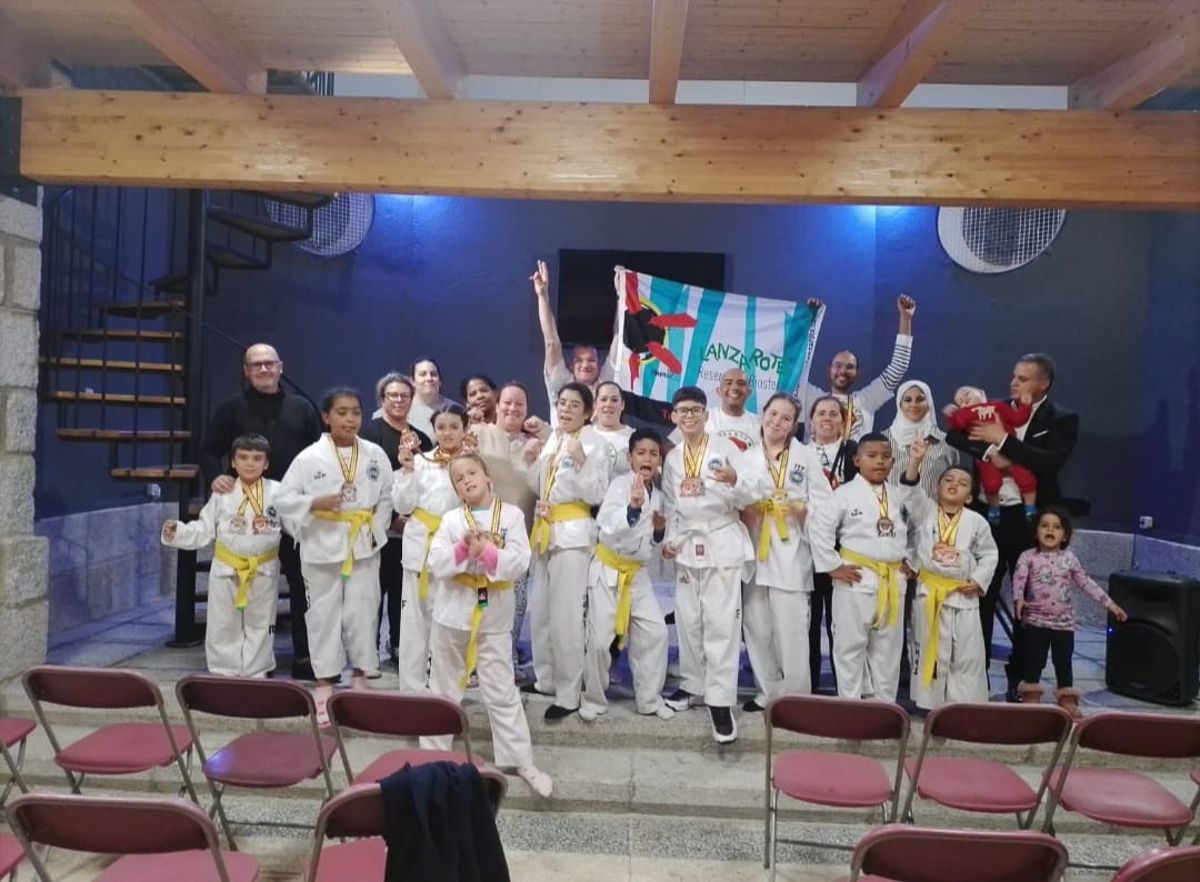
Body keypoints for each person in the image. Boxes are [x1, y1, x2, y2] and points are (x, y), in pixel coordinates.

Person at [946, 353, 1079, 702]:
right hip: (990, 516)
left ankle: (1021, 680)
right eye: (1014, 376)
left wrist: (1004, 444)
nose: (1013, 383)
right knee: (981, 597)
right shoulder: (994, 408)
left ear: (1042, 383)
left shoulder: (1062, 419)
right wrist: (992, 453)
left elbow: (1049, 463)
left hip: (1031, 521)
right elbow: (956, 436)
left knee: (1027, 604)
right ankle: (974, 678)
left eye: (1022, 378)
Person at [424, 452, 553, 797]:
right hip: (452, 611)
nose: (467, 480)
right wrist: (465, 550)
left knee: (500, 687)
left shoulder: (510, 515)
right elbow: (436, 562)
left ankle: (518, 758)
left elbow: (519, 563)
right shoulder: (451, 519)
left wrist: (487, 552)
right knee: (443, 684)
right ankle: (433, 756)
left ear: (487, 475)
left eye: (472, 473)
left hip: (494, 610)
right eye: (459, 479)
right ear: (456, 488)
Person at [198, 343, 322, 680]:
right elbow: (209, 451)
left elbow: (319, 456)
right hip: (247, 515)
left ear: (281, 367)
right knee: (248, 590)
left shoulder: (302, 408)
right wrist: (217, 477)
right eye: (256, 365)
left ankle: (305, 655)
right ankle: (243, 660)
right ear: (246, 371)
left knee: (303, 582)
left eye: (269, 364)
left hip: (293, 510)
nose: (264, 370)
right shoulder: (230, 409)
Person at [277, 388, 393, 724]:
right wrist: (313, 503)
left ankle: (360, 675)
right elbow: (283, 499)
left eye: (355, 412)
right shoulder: (309, 457)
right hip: (321, 543)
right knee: (323, 615)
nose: (350, 419)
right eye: (341, 412)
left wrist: (375, 528)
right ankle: (324, 682)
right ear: (326, 417)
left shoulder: (374, 454)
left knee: (363, 612)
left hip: (362, 543)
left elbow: (387, 495)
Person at [661, 386, 760, 744]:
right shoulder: (672, 459)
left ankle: (720, 701)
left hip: (721, 540)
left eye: (695, 410)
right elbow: (672, 505)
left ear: (706, 414)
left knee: (721, 624)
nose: (688, 416)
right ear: (673, 416)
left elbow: (753, 492)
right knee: (689, 620)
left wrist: (736, 481)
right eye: (682, 410)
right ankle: (692, 685)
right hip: (689, 544)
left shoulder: (726, 448)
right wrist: (671, 540)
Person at [162, 434, 285, 678]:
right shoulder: (223, 493)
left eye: (257, 458)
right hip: (227, 567)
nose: (250, 463)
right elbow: (204, 529)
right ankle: (223, 671)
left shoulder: (279, 492)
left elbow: (297, 523)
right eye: (243, 457)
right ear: (233, 462)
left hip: (263, 568)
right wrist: (179, 531)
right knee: (222, 622)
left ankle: (256, 670)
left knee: (262, 623)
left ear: (267, 463)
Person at [522, 382, 611, 719]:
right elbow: (542, 486)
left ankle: (569, 692)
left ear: (588, 412)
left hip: (573, 534)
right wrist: (530, 461)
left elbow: (595, 493)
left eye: (575, 404)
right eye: (562, 403)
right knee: (541, 609)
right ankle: (546, 679)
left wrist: (583, 461)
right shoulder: (554, 439)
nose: (566, 409)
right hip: (545, 530)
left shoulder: (595, 443)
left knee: (566, 616)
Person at [809, 433, 920, 702]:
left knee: (889, 651)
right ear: (857, 460)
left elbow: (918, 529)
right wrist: (832, 566)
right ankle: (850, 706)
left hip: (892, 580)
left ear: (893, 463)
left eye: (885, 457)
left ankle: (884, 708)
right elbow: (819, 529)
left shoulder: (898, 495)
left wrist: (912, 561)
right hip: (855, 577)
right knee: (849, 646)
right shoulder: (843, 494)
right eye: (872, 456)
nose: (879, 462)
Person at [740, 393, 829, 712]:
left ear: (794, 425)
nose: (777, 422)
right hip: (755, 548)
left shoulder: (806, 457)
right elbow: (734, 498)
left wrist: (803, 509)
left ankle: (795, 696)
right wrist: (745, 510)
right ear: (762, 414)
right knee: (757, 624)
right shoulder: (745, 457)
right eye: (773, 414)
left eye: (785, 418)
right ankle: (767, 690)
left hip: (791, 549)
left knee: (790, 628)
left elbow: (825, 502)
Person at [581, 428, 674, 722]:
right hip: (608, 569)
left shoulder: (658, 495)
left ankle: (648, 698)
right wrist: (633, 509)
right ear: (630, 457)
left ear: (659, 460)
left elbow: (654, 542)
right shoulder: (620, 485)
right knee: (599, 640)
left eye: (653, 453)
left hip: (637, 574)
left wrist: (659, 530)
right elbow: (608, 523)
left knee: (656, 632)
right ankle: (594, 697)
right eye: (641, 453)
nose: (647, 458)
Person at [900, 440, 998, 710]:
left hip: (962, 593)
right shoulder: (925, 511)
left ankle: (965, 707)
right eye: (948, 480)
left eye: (963, 483)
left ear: (969, 496)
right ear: (936, 488)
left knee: (967, 653)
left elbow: (989, 555)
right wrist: (916, 461)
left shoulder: (977, 521)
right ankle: (930, 704)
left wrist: (978, 580)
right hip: (929, 592)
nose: (954, 484)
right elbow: (910, 492)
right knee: (930, 649)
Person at [1013, 507, 1127, 718]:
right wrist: (1018, 599)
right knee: (1034, 660)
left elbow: (1086, 583)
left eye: (1057, 527)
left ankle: (1066, 699)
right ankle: (1030, 697)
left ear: (1064, 535)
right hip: (1036, 621)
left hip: (1064, 624)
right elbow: (1019, 580)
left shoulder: (1069, 559)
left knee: (1063, 662)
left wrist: (1110, 604)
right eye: (1044, 525)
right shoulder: (1028, 557)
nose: (1050, 530)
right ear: (1036, 531)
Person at [390, 403, 470, 693]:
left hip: (454, 545)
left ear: (465, 429)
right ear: (433, 430)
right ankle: (411, 688)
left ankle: (444, 686)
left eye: (454, 427)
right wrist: (407, 470)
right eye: (441, 427)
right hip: (420, 545)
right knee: (414, 621)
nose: (447, 433)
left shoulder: (473, 463)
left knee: (449, 621)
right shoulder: (420, 461)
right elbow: (402, 506)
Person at [472, 382, 550, 668]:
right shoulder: (477, 434)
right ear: (497, 403)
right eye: (507, 402)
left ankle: (508, 652)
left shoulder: (536, 445)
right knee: (480, 597)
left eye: (519, 404)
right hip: (481, 534)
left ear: (527, 409)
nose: (512, 408)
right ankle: (475, 655)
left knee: (515, 601)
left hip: (519, 537)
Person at [360, 373, 433, 670]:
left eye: (404, 395)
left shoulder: (423, 439)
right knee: (375, 592)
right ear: (382, 400)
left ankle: (401, 645)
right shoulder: (369, 434)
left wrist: (409, 519)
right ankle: (368, 651)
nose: (399, 400)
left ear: (412, 399)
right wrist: (390, 519)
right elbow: (365, 482)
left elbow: (428, 482)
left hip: (410, 529)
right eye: (392, 395)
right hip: (379, 527)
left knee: (403, 594)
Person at [796, 296, 917, 441]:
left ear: (857, 374)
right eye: (838, 365)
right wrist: (810, 319)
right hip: (812, 463)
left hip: (855, 463)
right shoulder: (811, 397)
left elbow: (899, 366)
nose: (842, 371)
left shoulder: (866, 400)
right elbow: (791, 368)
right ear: (829, 370)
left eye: (849, 367)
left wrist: (905, 318)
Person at [805, 395, 857, 693]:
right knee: (809, 623)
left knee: (842, 623)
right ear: (811, 420)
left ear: (843, 419)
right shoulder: (798, 453)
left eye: (833, 413)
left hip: (844, 548)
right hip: (809, 548)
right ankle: (809, 687)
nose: (827, 418)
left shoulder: (853, 452)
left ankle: (844, 689)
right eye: (820, 412)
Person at [530, 260, 619, 422]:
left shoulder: (606, 385)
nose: (585, 365)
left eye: (591, 360)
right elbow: (551, 342)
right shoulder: (562, 384)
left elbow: (619, 340)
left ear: (600, 365)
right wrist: (542, 296)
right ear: (570, 366)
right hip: (564, 447)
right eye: (579, 360)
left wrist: (622, 298)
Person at [944, 385, 1036, 523]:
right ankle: (994, 509)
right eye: (960, 401)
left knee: (1026, 478)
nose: (964, 400)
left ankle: (1030, 507)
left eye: (967, 394)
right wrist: (952, 415)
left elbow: (1018, 419)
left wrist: (1026, 406)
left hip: (1010, 452)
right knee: (991, 483)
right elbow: (956, 428)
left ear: (982, 393)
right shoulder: (966, 414)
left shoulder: (998, 406)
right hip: (987, 460)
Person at [884, 380, 958, 501]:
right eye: (907, 400)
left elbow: (954, 479)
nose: (914, 404)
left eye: (920, 399)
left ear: (929, 403)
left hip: (934, 514)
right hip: (894, 515)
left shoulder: (946, 442)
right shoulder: (884, 440)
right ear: (899, 404)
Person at [667, 367, 760, 453]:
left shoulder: (760, 424)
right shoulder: (703, 418)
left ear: (749, 392)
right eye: (728, 383)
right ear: (719, 391)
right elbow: (669, 446)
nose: (735, 387)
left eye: (741, 384)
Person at [592, 380, 634, 476]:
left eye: (614, 400)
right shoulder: (584, 434)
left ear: (622, 405)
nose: (608, 404)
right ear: (595, 404)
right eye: (603, 399)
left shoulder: (635, 437)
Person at [407, 357, 458, 435]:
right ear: (412, 381)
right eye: (422, 374)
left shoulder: (455, 409)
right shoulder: (401, 409)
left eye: (433, 374)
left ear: (440, 381)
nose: (429, 378)